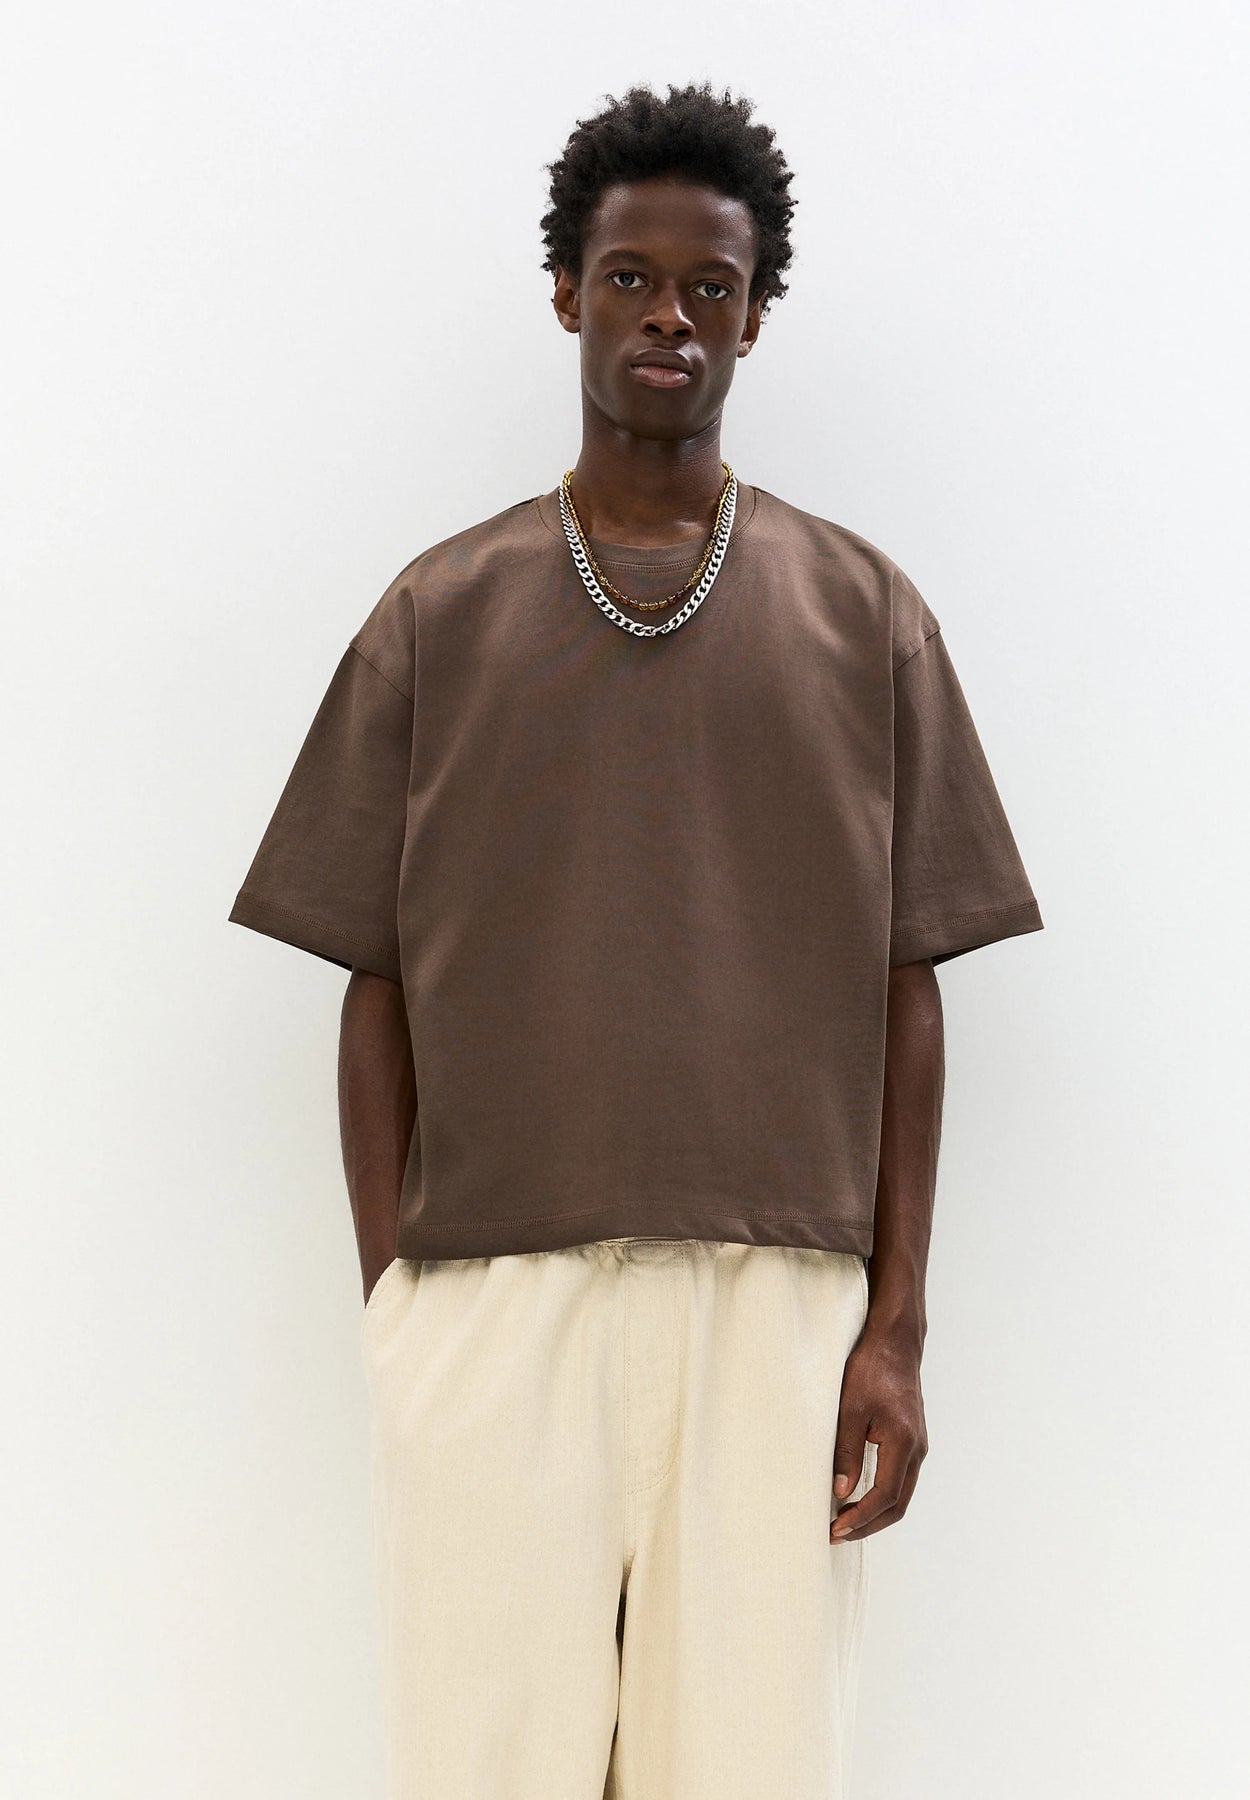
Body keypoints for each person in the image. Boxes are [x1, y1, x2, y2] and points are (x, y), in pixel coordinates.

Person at [227, 79, 1043, 1800]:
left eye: (708, 286)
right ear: (565, 293)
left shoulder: (863, 613)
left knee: (747, 1766)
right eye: (628, 278)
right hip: (493, 1295)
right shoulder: (441, 611)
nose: (667, 315)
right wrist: (398, 1310)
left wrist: (893, 1330)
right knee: (483, 1765)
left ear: (754, 314)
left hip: (778, 1295)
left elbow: (909, 987)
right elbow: (372, 984)